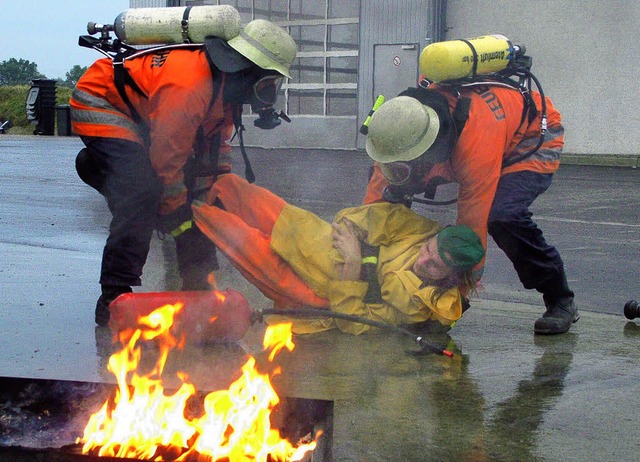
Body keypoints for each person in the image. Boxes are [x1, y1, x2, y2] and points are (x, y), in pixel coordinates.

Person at [70, 19, 297, 326]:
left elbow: (214, 152)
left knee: (190, 201)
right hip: (103, 103)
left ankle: (197, 284)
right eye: (268, 84)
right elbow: (167, 160)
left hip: (147, 115)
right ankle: (112, 296)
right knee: (142, 194)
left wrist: (212, 199)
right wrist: (178, 216)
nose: (269, 94)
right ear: (248, 70)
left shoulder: (226, 90)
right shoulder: (191, 84)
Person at [362, 81, 578, 335]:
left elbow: (472, 227)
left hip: (528, 138)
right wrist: (365, 269)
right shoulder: (400, 130)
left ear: (424, 155)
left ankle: (560, 298)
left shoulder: (475, 144)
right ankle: (396, 279)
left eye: (400, 167)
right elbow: (375, 209)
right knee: (392, 196)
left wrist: (453, 304)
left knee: (503, 216)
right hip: (458, 142)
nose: (390, 171)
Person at [191, 174, 485, 335]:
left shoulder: (418, 307)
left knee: (233, 236)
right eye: (427, 250)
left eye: (434, 266)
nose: (424, 261)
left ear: (452, 277)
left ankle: (185, 212)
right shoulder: (419, 229)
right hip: (314, 238)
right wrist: (350, 231)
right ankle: (192, 188)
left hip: (314, 291)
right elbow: (370, 217)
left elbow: (353, 321)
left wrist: (353, 265)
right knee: (238, 191)